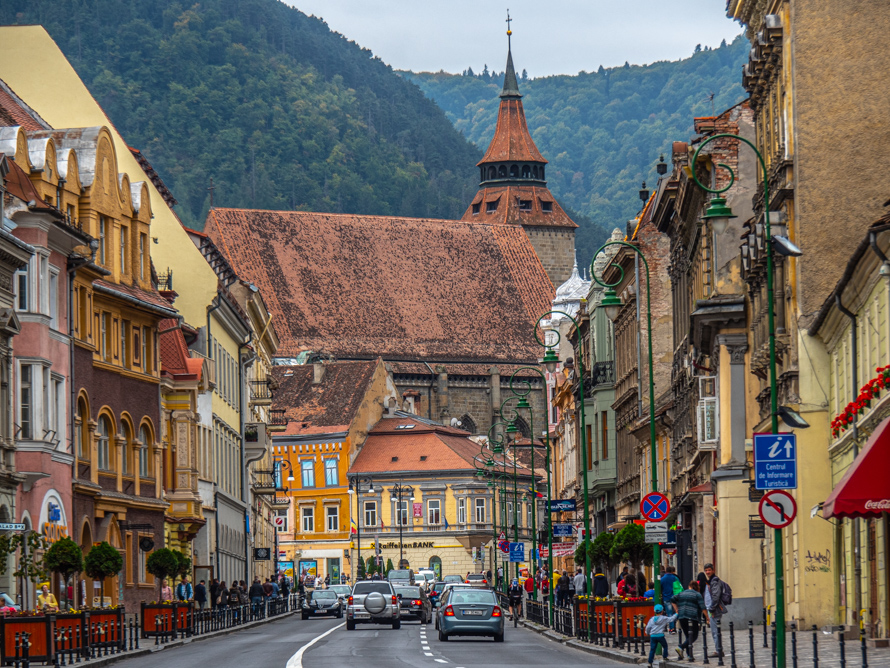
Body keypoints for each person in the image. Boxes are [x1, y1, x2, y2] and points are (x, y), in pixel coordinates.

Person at [672, 580, 708, 661]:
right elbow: (703, 607)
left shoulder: (682, 593)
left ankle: (689, 655)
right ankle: (680, 647)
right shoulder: (697, 594)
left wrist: (676, 610)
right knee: (693, 636)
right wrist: (708, 618)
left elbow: (672, 599)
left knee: (688, 637)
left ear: (689, 586)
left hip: (682, 617)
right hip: (692, 617)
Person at [703, 563, 729, 658]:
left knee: (715, 631)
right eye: (706, 570)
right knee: (715, 630)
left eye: (709, 570)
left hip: (714, 609)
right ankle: (718, 649)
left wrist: (712, 609)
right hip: (712, 609)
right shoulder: (711, 581)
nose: (707, 572)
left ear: (713, 570)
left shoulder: (714, 581)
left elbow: (716, 596)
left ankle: (719, 650)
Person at [660, 566, 681, 631]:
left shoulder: (662, 579)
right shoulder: (675, 578)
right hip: (675, 597)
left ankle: (672, 628)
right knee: (677, 612)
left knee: (669, 613)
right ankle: (673, 625)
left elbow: (660, 588)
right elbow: (679, 587)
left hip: (666, 598)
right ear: (672, 571)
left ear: (666, 571)